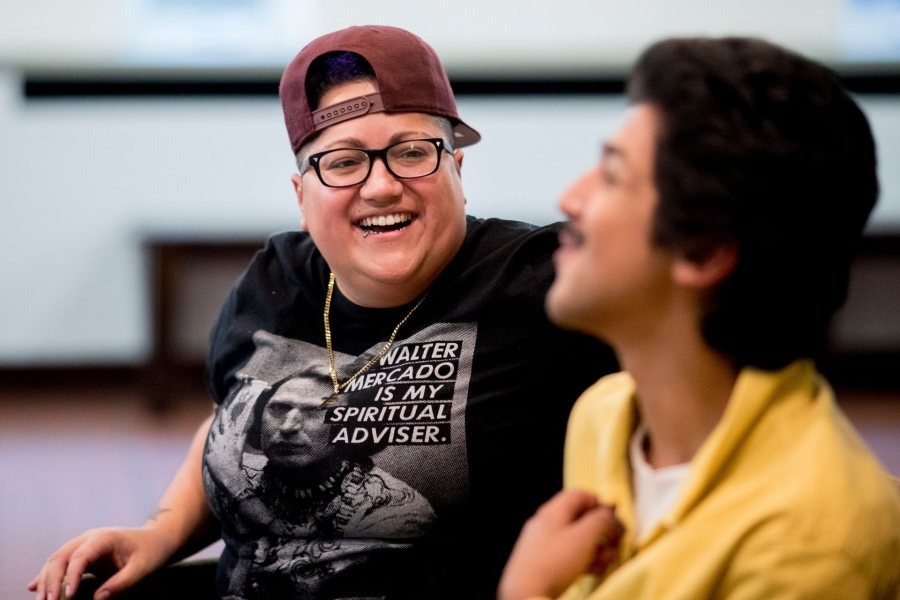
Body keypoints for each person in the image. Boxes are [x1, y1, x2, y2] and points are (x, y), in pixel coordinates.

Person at [29, 25, 617, 600]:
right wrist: (158, 533)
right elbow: (228, 421)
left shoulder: (542, 279)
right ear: (302, 194)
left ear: (458, 173)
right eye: (342, 163)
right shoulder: (276, 278)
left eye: (413, 153)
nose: (382, 186)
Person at [498, 36, 900, 599]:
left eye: (611, 175)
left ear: (702, 252)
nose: (570, 197)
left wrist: (527, 592)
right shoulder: (603, 413)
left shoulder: (808, 542)